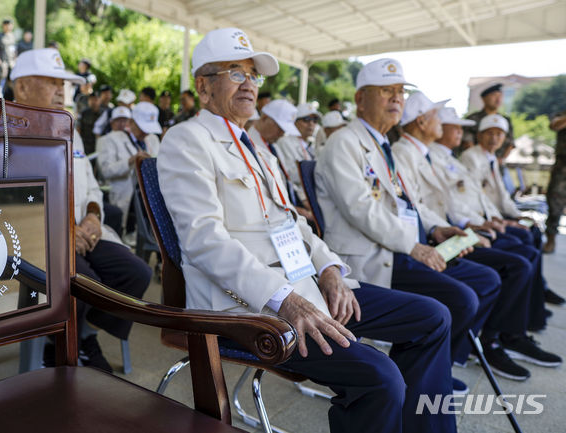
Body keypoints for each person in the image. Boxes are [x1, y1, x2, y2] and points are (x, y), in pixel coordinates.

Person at [158, 27, 455, 433]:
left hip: (305, 286)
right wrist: (287, 300)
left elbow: (291, 223)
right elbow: (204, 242)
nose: (250, 85)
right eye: (236, 73)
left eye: (254, 75)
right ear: (202, 87)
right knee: (380, 378)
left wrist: (331, 269)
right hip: (249, 306)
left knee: (432, 317)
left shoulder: (253, 145)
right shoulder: (187, 140)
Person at [316, 58, 503, 395]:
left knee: (472, 289)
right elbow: (362, 211)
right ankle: (417, 381)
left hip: (399, 247)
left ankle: (418, 378)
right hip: (373, 255)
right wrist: (416, 246)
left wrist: (436, 230)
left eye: (400, 92)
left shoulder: (381, 144)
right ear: (360, 99)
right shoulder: (344, 143)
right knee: (457, 301)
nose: (396, 98)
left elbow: (409, 203)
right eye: (386, 91)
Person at [393, 93, 561, 380]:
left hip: (442, 233)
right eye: (447, 122)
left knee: (521, 251)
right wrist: (455, 230)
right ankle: (488, 342)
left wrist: (478, 223)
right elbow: (417, 207)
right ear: (422, 122)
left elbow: (441, 204)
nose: (460, 131)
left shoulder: (422, 154)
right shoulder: (408, 154)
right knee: (510, 266)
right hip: (421, 242)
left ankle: (496, 337)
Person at [10, 48, 151, 372]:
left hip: (82, 231)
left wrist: (93, 217)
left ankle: (84, 336)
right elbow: (12, 203)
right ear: (22, 87)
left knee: (135, 274)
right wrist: (61, 233)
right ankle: (57, 345)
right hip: (37, 239)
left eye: (65, 83)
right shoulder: (6, 131)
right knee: (85, 284)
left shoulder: (68, 128)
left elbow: (88, 183)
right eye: (51, 81)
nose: (62, 90)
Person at [460, 114, 562, 329]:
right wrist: (498, 221)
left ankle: (534, 300)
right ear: (479, 135)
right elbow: (474, 198)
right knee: (524, 244)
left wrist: (516, 215)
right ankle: (517, 323)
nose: (494, 138)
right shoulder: (472, 157)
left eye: (499, 134)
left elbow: (502, 197)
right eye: (490, 133)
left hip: (491, 216)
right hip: (480, 220)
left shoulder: (491, 158)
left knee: (531, 231)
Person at [96, 104, 160, 231]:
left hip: (150, 200)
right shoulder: (109, 140)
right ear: (131, 122)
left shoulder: (152, 139)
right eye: (142, 128)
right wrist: (131, 161)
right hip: (124, 198)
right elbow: (106, 171)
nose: (145, 133)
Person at [462, 83, 513, 149]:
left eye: (500, 96)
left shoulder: (505, 120)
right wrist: (477, 157)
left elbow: (511, 143)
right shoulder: (472, 119)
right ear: (484, 98)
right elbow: (467, 141)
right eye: (494, 95)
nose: (498, 100)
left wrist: (500, 159)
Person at [544, 109, 566, 254]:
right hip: (562, 166)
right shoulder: (561, 113)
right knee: (554, 203)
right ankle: (550, 239)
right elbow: (554, 125)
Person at [0, 19, 17, 92]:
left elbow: (14, 48)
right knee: (2, 75)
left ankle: (8, 95)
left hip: (11, 60)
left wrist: (15, 58)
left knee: (11, 78)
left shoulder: (13, 36)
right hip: (3, 59)